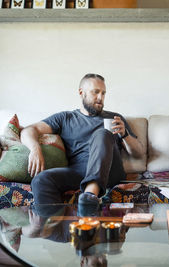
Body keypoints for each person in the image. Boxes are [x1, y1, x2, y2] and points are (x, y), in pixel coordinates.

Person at [20, 73, 144, 216]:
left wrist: (125, 135)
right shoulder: (66, 118)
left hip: (109, 171)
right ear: (81, 93)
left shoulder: (114, 118)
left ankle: (90, 196)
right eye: (95, 92)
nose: (100, 98)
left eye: (103, 93)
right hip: (78, 172)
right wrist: (35, 149)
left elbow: (138, 153)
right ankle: (55, 226)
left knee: (102, 134)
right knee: (41, 180)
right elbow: (29, 130)